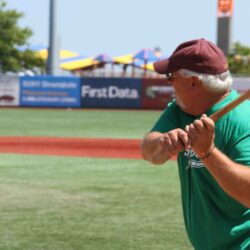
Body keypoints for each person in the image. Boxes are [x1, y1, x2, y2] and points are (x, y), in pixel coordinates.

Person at [140, 38, 250, 250]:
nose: (169, 82)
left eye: (171, 76)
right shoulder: (179, 109)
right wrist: (163, 142)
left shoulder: (243, 121)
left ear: (193, 82)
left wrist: (207, 152)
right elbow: (149, 152)